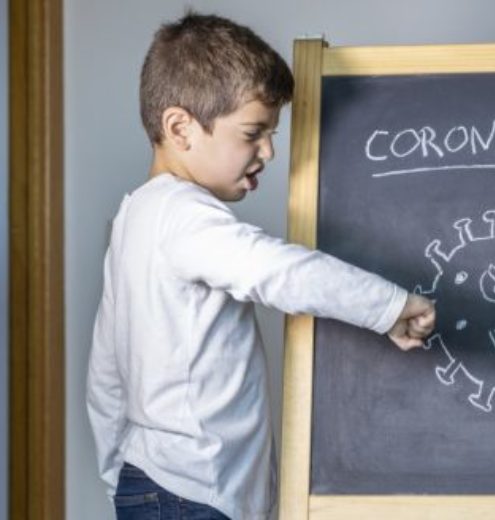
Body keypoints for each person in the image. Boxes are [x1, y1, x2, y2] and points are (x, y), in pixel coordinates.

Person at [86, 11, 435, 520]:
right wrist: (390, 306)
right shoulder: (184, 215)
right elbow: (279, 271)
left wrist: (117, 473)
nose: (268, 150)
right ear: (180, 127)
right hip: (194, 492)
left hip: (157, 483)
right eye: (253, 133)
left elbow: (106, 372)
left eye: (271, 133)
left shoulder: (135, 218)